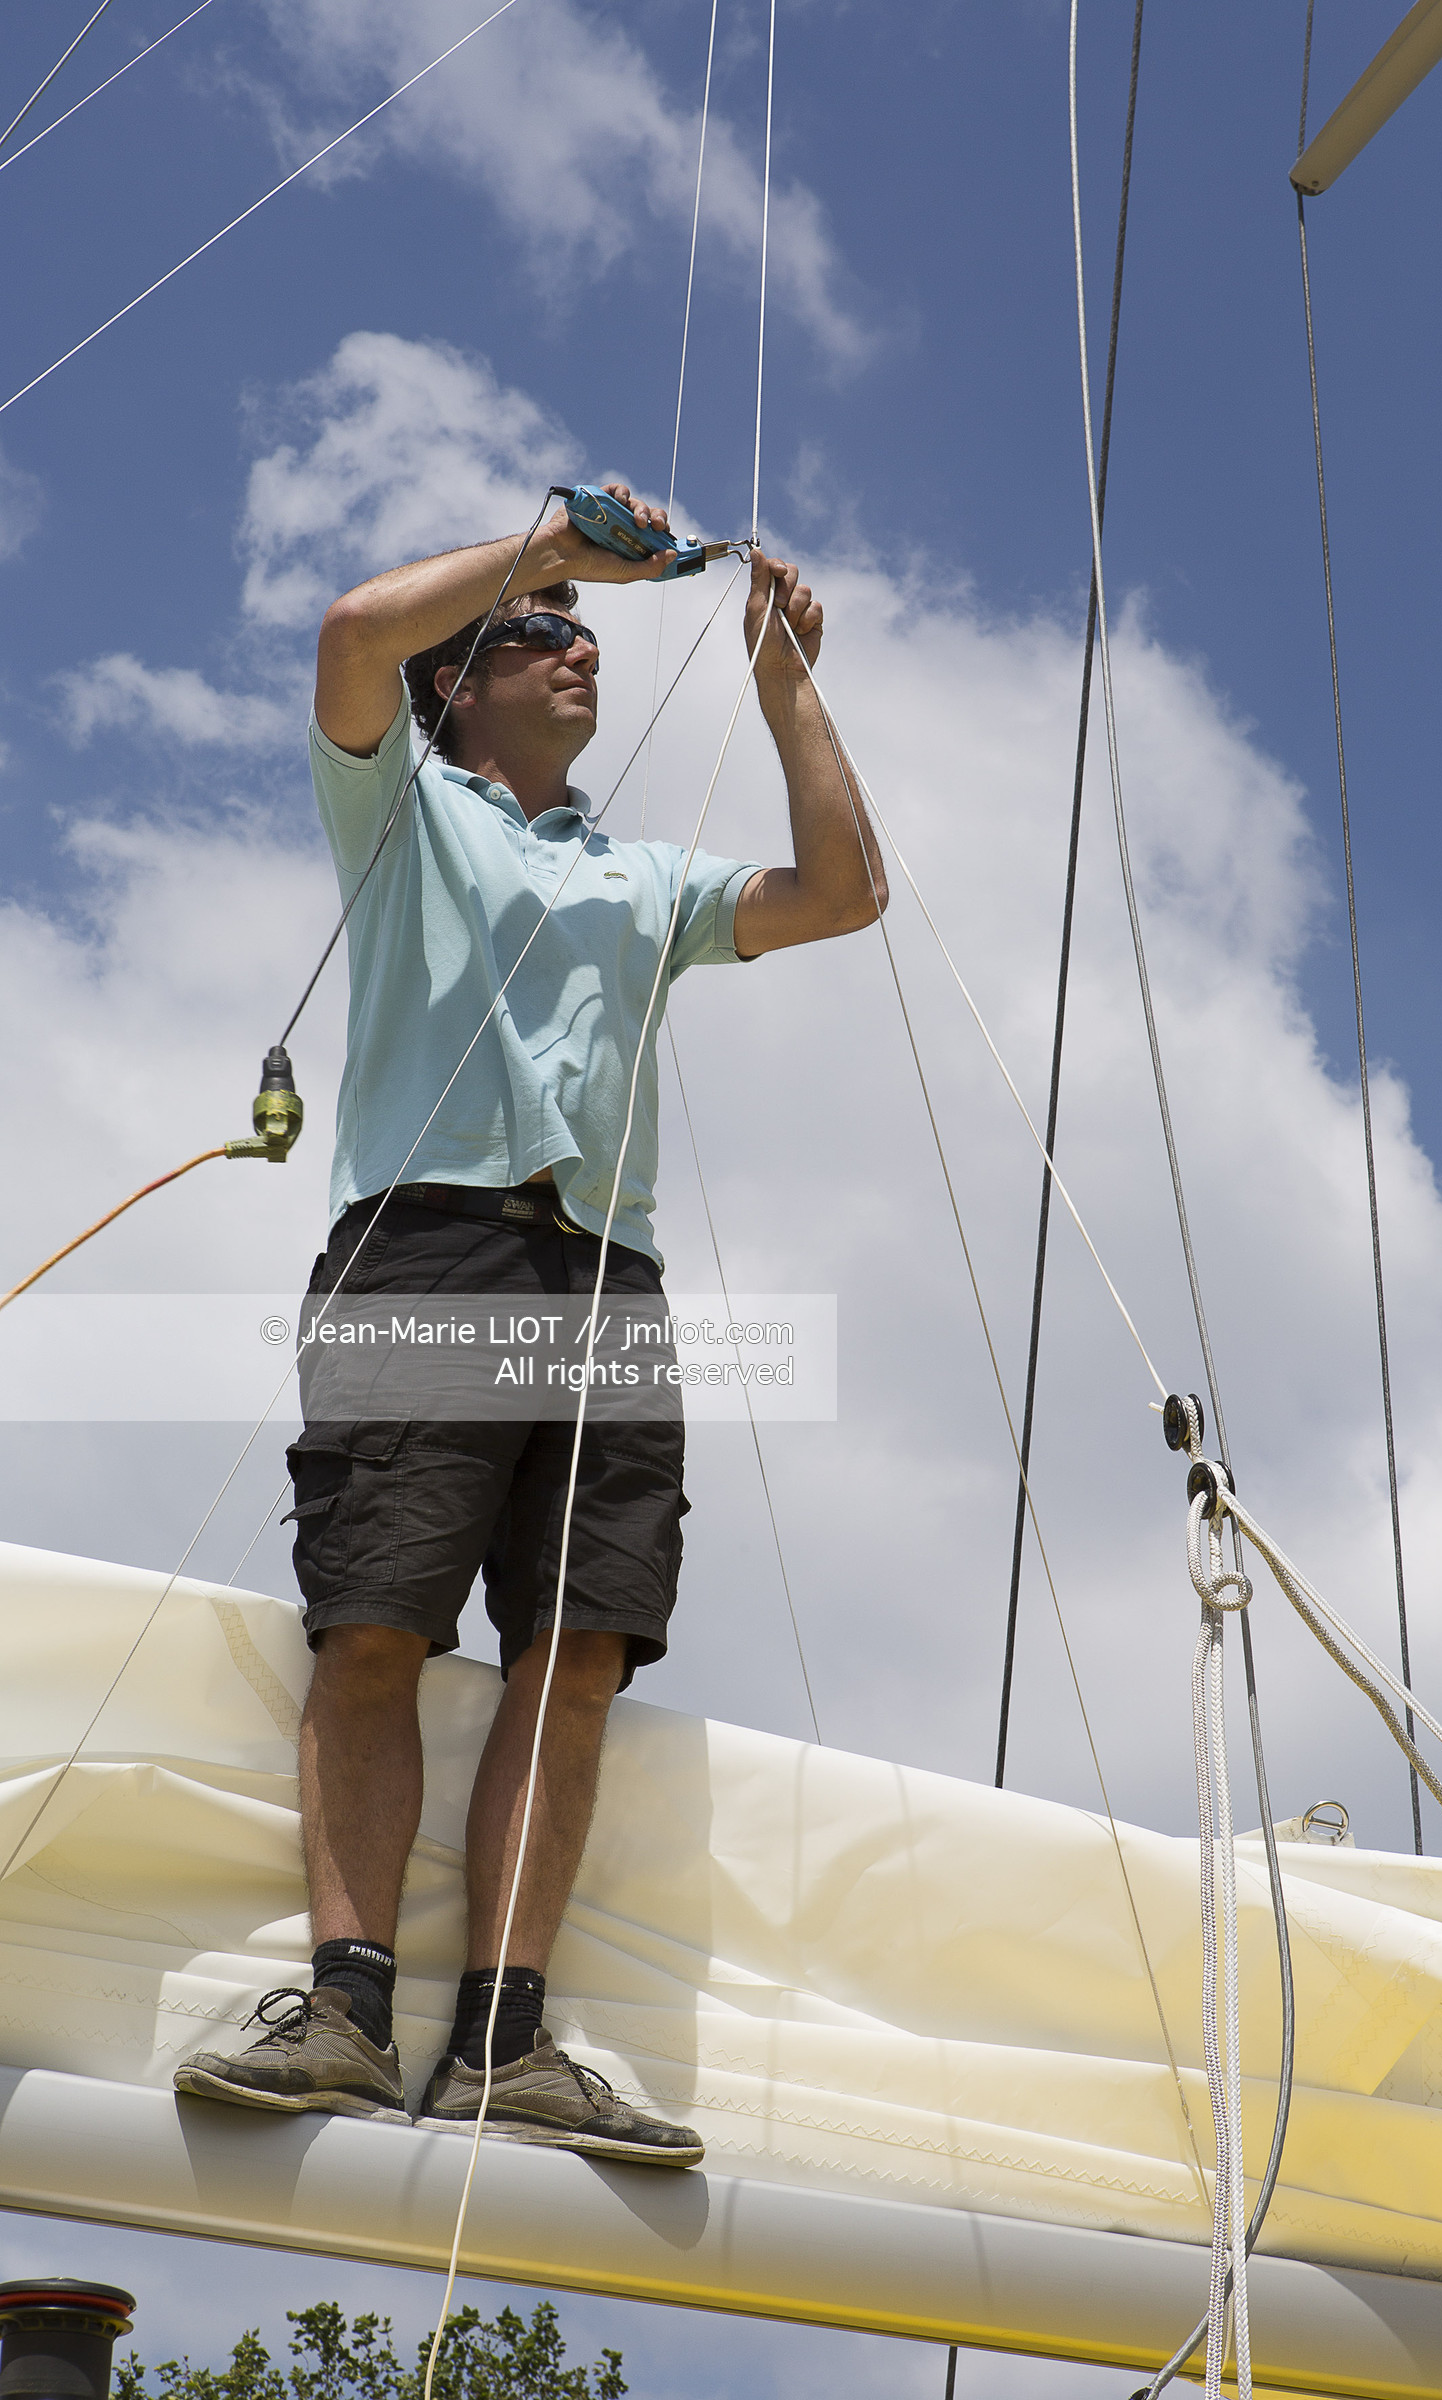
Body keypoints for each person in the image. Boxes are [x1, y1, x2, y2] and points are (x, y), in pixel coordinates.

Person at [175, 485, 886, 2161]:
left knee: (574, 1651)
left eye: (580, 639)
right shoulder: (406, 814)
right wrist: (554, 545)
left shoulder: (638, 875)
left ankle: (504, 2038)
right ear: (462, 685)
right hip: (429, 1249)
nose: (576, 654)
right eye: (537, 639)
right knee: (376, 1624)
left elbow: (845, 892)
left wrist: (787, 689)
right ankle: (346, 2005)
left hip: (604, 1281)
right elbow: (353, 633)